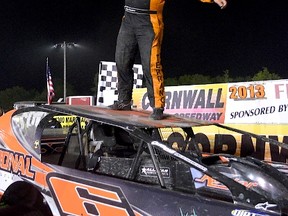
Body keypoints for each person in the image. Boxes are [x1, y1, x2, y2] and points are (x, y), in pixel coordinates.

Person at [109, 0, 228, 120]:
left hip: (149, 21)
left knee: (151, 66)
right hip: (128, 19)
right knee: (122, 61)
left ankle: (157, 106)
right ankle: (124, 101)